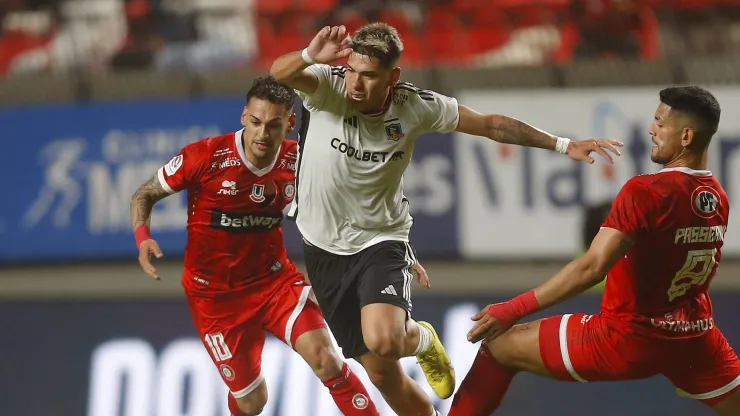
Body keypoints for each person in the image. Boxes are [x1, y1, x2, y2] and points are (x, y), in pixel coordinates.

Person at [270, 22, 622, 416]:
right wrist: (307, 56)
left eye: (369, 76)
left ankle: (421, 340)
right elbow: (277, 74)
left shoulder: (415, 105)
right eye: (351, 70)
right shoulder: (327, 86)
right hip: (322, 245)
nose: (355, 83)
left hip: (380, 239)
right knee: (383, 375)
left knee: (385, 340)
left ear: (393, 78)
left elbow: (492, 125)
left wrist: (562, 144)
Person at [448, 86, 740, 415]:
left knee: (500, 347)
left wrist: (514, 308)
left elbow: (592, 267)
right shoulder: (717, 197)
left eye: (660, 122)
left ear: (686, 136)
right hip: (694, 338)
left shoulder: (644, 191)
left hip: (625, 339)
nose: (650, 129)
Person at [129, 76, 379, 416]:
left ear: (290, 124)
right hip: (216, 299)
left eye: (274, 125)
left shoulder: (301, 162)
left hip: (274, 283)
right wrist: (143, 238)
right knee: (252, 402)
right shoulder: (205, 156)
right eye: (256, 122)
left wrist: (391, 246)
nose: (263, 134)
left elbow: (357, 201)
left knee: (327, 360)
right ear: (244, 116)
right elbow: (144, 194)